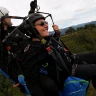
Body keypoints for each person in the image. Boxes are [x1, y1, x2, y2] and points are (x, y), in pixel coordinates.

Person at [19, 13, 96, 96]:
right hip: (67, 70)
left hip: (70, 59)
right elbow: (31, 80)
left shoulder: (43, 40)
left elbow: (54, 44)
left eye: (46, 23)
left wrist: (57, 34)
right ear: (31, 29)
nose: (46, 25)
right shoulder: (32, 51)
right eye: (42, 23)